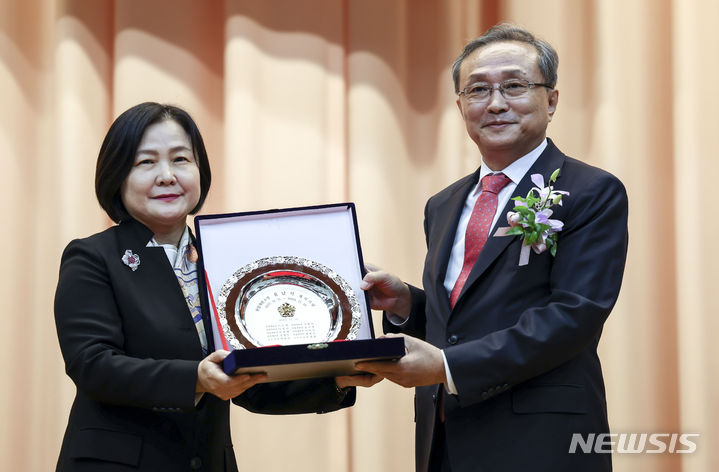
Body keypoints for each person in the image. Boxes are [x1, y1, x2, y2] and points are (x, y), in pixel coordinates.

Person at [357, 24, 629, 472]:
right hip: (444, 434)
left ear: (552, 100)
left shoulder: (591, 191)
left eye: (515, 86)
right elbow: (464, 320)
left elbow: (573, 315)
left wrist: (446, 366)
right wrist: (407, 303)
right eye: (478, 89)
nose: (496, 103)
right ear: (461, 105)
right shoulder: (442, 204)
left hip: (541, 438)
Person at [54, 102, 378, 471]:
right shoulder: (93, 256)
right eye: (146, 162)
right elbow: (93, 365)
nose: (166, 176)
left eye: (180, 160)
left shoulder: (226, 264)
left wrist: (336, 376)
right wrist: (195, 379)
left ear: (200, 171)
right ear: (117, 175)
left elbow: (252, 378)